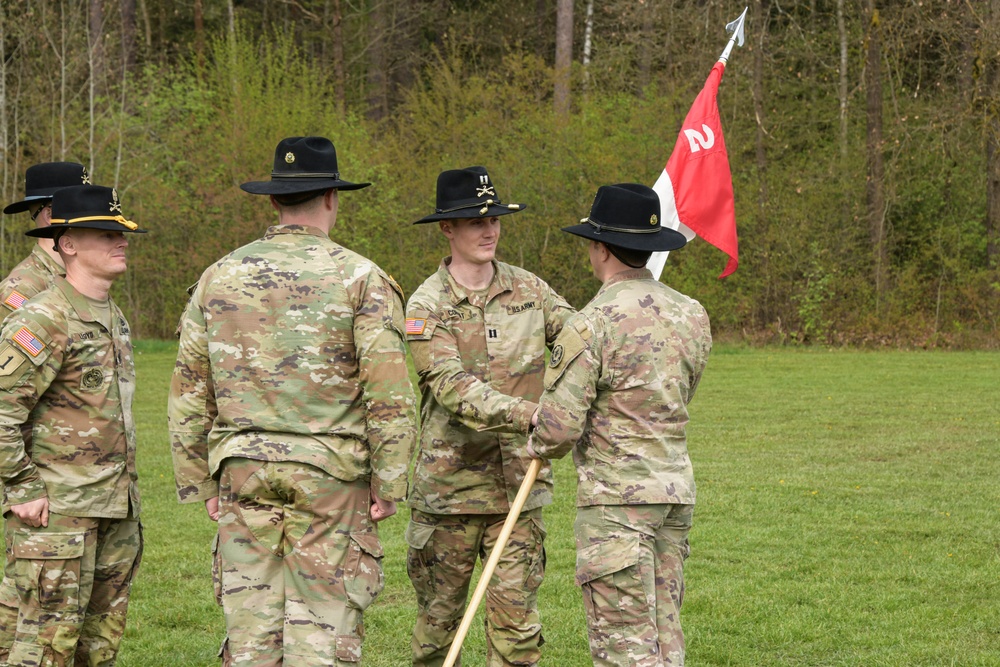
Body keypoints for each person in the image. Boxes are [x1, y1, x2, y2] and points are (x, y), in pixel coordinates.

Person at [168, 136, 417, 666]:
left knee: (251, 632)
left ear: (274, 200)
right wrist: (390, 482)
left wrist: (198, 480)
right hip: (330, 479)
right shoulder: (361, 278)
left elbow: (190, 389)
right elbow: (389, 392)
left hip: (243, 470)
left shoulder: (220, 275)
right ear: (331, 197)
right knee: (321, 634)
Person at [527, 183, 712, 667]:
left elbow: (558, 430)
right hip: (674, 493)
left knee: (625, 647)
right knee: (664, 635)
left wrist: (536, 439)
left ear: (599, 246)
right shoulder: (692, 314)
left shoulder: (592, 323)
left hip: (616, 505)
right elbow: (679, 392)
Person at [404, 166, 574, 666]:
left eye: (495, 218)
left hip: (519, 489)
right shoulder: (426, 304)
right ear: (447, 229)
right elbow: (451, 387)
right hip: (449, 496)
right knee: (438, 634)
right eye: (475, 221)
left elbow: (582, 343)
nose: (489, 230)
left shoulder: (532, 291)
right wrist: (533, 414)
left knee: (517, 635)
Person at [0, 184, 146, 665]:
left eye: (121, 231)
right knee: (44, 651)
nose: (120, 240)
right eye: (104, 233)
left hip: (113, 512)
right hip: (58, 516)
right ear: (67, 243)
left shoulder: (114, 315)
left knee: (96, 650)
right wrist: (20, 486)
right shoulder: (44, 317)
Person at [1, 162, 91, 316]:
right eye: (83, 209)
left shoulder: (86, 278)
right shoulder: (22, 290)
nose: (95, 218)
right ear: (51, 216)